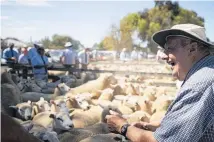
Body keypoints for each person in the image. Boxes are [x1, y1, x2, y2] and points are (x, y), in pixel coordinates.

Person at [106, 24, 214, 142]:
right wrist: (157, 126)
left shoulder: (199, 86)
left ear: (192, 49)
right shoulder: (206, 74)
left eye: (170, 48)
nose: (163, 56)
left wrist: (122, 126)